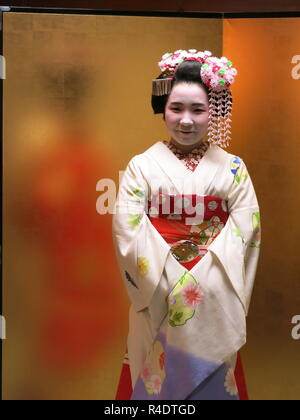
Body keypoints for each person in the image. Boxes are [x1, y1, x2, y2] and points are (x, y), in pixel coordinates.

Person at [112, 49, 261, 400]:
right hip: (158, 291)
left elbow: (246, 232)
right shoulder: (142, 166)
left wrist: (199, 281)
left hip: (212, 295)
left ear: (214, 112)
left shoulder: (233, 168)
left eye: (198, 109)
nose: (186, 120)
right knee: (152, 375)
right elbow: (128, 231)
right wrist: (171, 280)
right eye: (176, 108)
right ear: (162, 108)